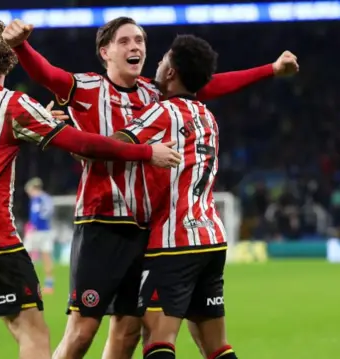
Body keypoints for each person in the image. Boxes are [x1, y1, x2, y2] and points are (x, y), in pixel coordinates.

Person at [3, 17, 299, 359]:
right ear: (105, 51)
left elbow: (208, 84)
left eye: (140, 41)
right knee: (83, 330)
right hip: (101, 223)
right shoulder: (84, 89)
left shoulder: (154, 92)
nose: (136, 47)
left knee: (128, 330)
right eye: (126, 41)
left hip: (146, 228)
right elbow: (46, 73)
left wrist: (271, 69)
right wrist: (20, 46)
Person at [0, 18, 181, 359]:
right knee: (33, 333)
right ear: (9, 58)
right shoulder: (14, 104)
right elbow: (84, 145)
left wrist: (41, 121)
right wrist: (147, 151)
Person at [113, 34, 236, 359]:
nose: (157, 62)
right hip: (211, 238)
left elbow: (113, 145)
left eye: (163, 58)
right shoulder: (208, 117)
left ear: (170, 73)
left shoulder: (162, 113)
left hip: (174, 241)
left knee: (158, 340)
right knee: (217, 347)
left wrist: (66, 133)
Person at [24, 177, 56, 294]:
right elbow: (49, 213)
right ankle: (49, 284)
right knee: (47, 257)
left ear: (34, 189)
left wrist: (32, 226)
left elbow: (36, 216)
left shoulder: (37, 199)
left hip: (36, 232)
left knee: (25, 256)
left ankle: (27, 283)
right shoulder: (47, 198)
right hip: (46, 231)